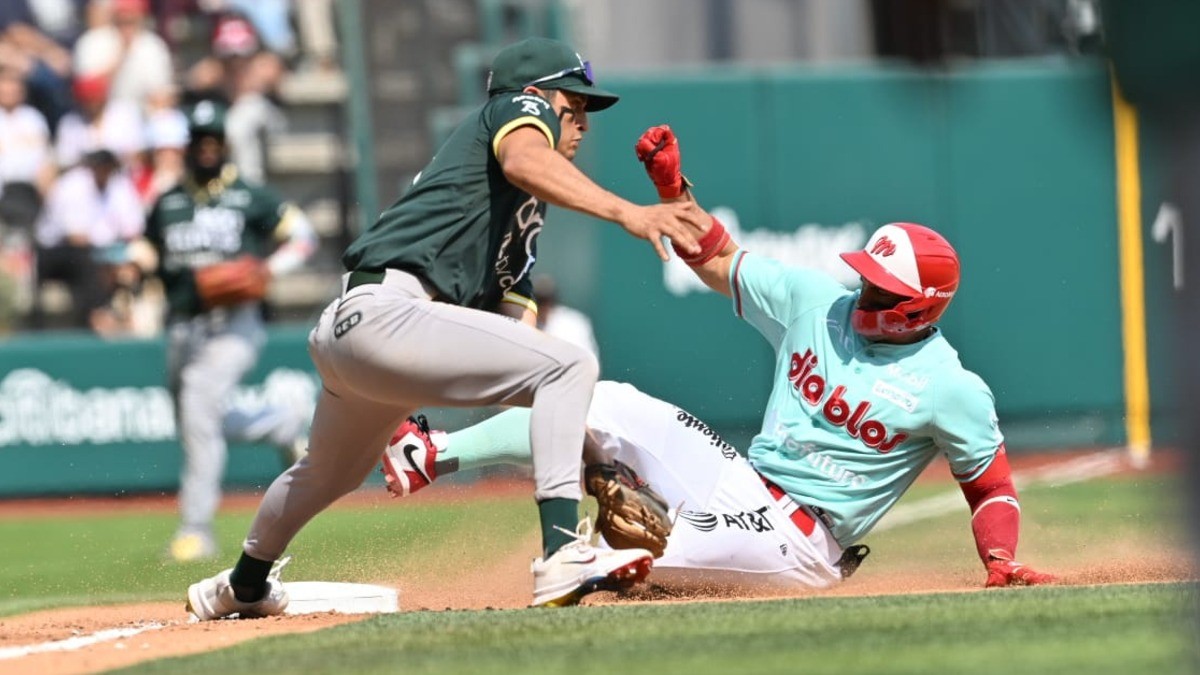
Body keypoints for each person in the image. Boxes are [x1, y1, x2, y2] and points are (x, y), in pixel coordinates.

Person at [379, 125, 1056, 592]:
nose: (866, 287)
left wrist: (1000, 558)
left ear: (921, 307)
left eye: (885, 287)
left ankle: (615, 565)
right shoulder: (820, 300)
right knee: (602, 399)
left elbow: (990, 484)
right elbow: (718, 258)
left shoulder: (951, 387)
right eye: (869, 274)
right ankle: (431, 452)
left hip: (801, 543)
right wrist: (675, 191)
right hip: (743, 477)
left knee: (647, 548)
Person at [184, 36, 709, 619]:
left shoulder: (519, 216)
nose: (583, 122)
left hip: (356, 332)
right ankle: (561, 554)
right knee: (571, 363)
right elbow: (523, 160)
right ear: (537, 96)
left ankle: (244, 584)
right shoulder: (516, 113)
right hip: (387, 315)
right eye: (574, 105)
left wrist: (596, 463)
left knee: (328, 474)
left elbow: (524, 361)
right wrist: (630, 212)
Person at [140, 99, 317, 563]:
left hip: (234, 325)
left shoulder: (250, 196)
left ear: (225, 144)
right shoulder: (168, 200)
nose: (207, 149)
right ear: (188, 146)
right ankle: (283, 421)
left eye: (214, 141)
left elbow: (304, 235)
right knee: (194, 420)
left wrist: (268, 269)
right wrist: (133, 268)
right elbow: (146, 249)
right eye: (200, 141)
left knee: (199, 402)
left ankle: (196, 529)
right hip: (183, 326)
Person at [532, 274, 600, 361]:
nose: (544, 306)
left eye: (548, 301)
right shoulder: (524, 323)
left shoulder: (573, 323)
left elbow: (588, 359)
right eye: (540, 301)